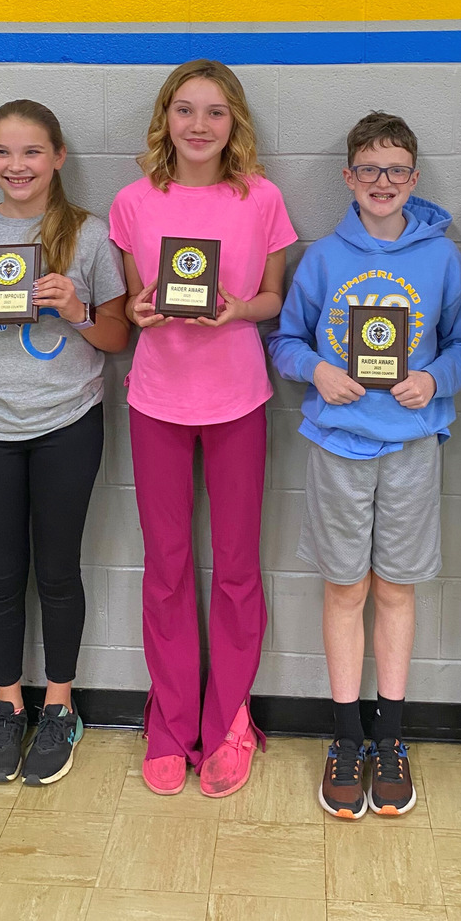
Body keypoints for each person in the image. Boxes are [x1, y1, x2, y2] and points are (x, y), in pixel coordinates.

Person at [269, 112, 461, 819]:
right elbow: (286, 341)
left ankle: (391, 736)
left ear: (414, 179)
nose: (383, 182)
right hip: (338, 447)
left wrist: (437, 379)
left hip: (413, 448)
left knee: (395, 589)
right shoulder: (325, 257)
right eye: (369, 170)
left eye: (396, 170)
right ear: (349, 178)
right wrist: (318, 370)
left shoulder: (441, 257)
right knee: (343, 591)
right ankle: (346, 736)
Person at [109, 59, 297, 797]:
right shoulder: (132, 201)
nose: (198, 125)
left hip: (237, 400)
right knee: (167, 566)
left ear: (234, 124)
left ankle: (228, 719)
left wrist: (237, 309)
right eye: (184, 110)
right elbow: (132, 305)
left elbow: (273, 296)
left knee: (238, 565)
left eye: (214, 112)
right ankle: (170, 721)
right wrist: (142, 311)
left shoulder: (264, 198)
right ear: (164, 119)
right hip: (156, 400)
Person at [0, 100, 129, 785]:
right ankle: (5, 703)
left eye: (30, 152)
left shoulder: (90, 235)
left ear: (58, 158)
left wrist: (76, 309)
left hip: (67, 420)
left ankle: (59, 704)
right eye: (2, 152)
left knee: (57, 568)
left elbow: (117, 338)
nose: (16, 166)